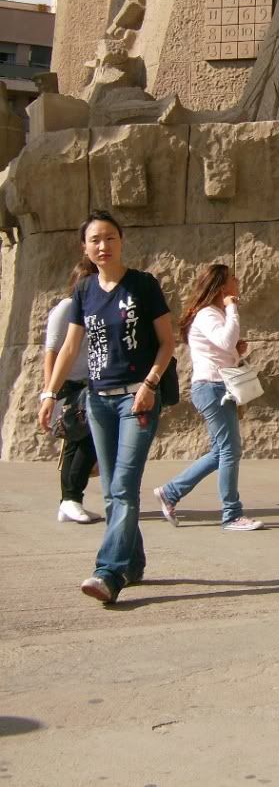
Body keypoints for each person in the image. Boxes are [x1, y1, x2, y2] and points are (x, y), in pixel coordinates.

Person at [38, 210, 175, 605]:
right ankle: (133, 562)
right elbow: (69, 347)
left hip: (138, 397)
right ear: (85, 247)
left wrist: (150, 384)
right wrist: (49, 392)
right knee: (114, 489)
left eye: (110, 238)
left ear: (121, 241)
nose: (103, 245)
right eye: (95, 239)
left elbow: (167, 341)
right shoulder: (84, 291)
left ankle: (109, 572)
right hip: (99, 400)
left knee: (123, 486)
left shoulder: (143, 285)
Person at [153, 263, 263, 532]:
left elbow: (222, 349)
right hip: (212, 388)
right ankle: (231, 514)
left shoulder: (210, 314)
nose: (237, 281)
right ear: (222, 287)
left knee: (221, 452)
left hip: (214, 387)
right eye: (233, 279)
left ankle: (170, 492)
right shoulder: (209, 314)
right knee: (229, 451)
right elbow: (224, 342)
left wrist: (237, 349)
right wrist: (232, 308)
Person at [44, 259, 100, 524]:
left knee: (76, 442)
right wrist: (49, 392)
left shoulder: (95, 309)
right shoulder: (66, 308)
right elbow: (52, 352)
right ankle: (71, 499)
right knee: (85, 440)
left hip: (91, 383)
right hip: (71, 385)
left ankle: (68, 500)